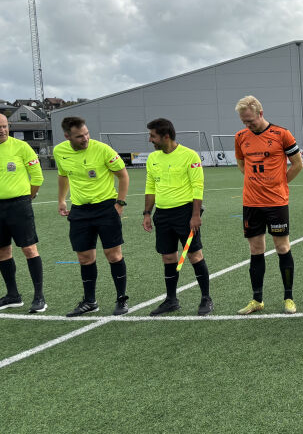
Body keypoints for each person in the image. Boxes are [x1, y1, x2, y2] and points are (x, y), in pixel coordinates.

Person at [54, 116, 131, 316]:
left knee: (113, 256)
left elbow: (123, 175)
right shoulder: (60, 151)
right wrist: (62, 199)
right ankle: (90, 302)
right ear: (67, 136)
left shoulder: (103, 149)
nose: (85, 138)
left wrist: (119, 204)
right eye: (80, 136)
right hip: (80, 211)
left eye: (87, 134)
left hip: (106, 208)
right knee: (85, 258)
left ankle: (121, 299)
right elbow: (63, 175)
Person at [234, 96, 303, 314]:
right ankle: (257, 300)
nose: (247, 125)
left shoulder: (282, 134)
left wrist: (279, 184)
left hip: (276, 202)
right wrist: (255, 183)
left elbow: (297, 164)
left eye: (250, 121)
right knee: (256, 250)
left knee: (282, 247)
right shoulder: (240, 137)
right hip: (251, 203)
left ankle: (288, 298)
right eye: (244, 122)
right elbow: (242, 164)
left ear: (260, 113)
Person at [141, 118, 213, 316]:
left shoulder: (189, 155)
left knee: (194, 255)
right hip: (162, 214)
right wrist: (147, 213)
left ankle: (206, 298)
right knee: (168, 257)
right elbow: (150, 187)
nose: (150, 140)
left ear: (166, 136)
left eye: (152, 136)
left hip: (185, 213)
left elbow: (198, 186)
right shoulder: (152, 158)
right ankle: (171, 300)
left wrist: (195, 215)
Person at [0, 113, 46, 313]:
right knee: (2, 251)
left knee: (29, 249)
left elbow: (37, 176)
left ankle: (39, 297)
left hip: (19, 205)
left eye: (4, 126)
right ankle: (13, 295)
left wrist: (28, 198)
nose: (1, 130)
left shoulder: (21, 147)